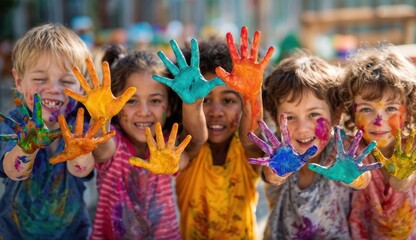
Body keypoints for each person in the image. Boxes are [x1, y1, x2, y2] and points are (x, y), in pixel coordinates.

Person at [84, 45, 206, 240]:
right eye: (131, 101)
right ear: (115, 103)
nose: (144, 111)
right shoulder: (114, 141)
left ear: (170, 104)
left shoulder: (167, 145)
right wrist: (100, 115)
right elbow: (100, 147)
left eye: (155, 100)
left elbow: (194, 142)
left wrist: (193, 104)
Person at [257, 49, 379, 239]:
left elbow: (363, 179)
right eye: (290, 117)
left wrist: (355, 177)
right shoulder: (279, 152)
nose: (302, 128)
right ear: (275, 118)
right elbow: (271, 177)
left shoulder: (342, 150)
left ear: (336, 115)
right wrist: (277, 171)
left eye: (314, 114)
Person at [168, 26, 273, 239]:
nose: (216, 112)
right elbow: (196, 135)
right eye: (204, 100)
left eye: (228, 100)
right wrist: (192, 102)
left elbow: (250, 136)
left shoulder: (247, 150)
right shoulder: (187, 151)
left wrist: (252, 94)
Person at [0, 23, 103, 239]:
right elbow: (14, 171)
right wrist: (27, 147)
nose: (54, 88)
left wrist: (80, 149)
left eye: (66, 81)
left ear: (81, 88)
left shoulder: (80, 127)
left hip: (72, 232)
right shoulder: (13, 125)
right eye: (39, 79)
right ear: (19, 81)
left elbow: (81, 170)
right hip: (15, 233)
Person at [339, 44, 416, 239]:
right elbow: (359, 181)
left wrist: (403, 177)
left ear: (409, 108)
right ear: (352, 111)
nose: (378, 121)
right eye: (366, 109)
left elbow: (402, 184)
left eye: (390, 109)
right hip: (365, 233)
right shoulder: (353, 149)